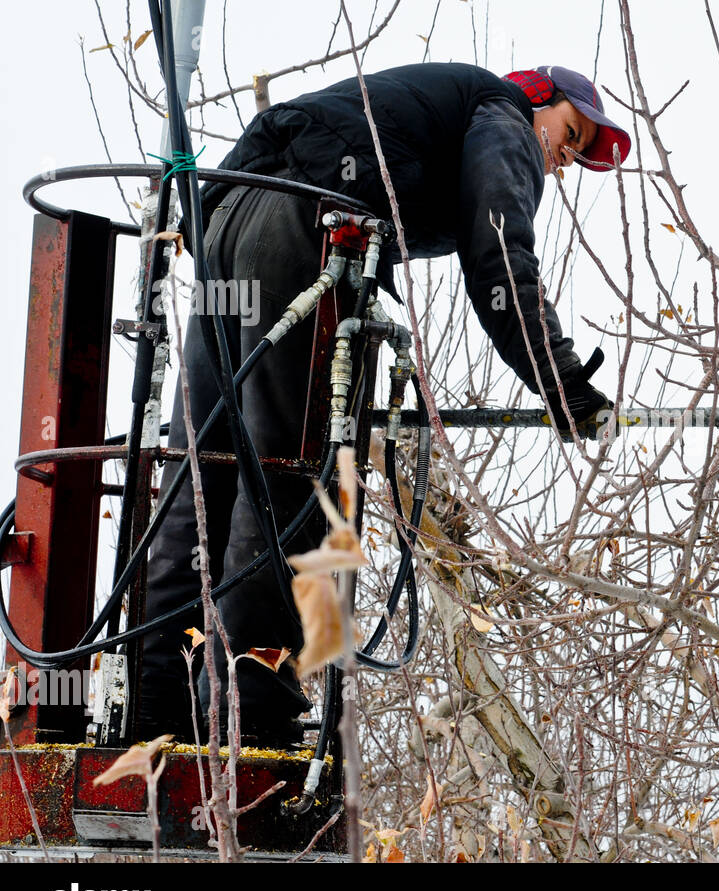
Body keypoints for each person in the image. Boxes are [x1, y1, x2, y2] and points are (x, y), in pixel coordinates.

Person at [136, 63, 631, 746]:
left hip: (231, 225)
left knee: (204, 468)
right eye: (569, 134)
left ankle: (155, 699)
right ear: (538, 99)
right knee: (289, 469)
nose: (564, 158)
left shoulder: (431, 108)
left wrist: (208, 217)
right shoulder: (504, 115)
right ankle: (248, 714)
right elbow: (497, 258)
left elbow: (279, 129)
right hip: (299, 228)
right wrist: (566, 386)